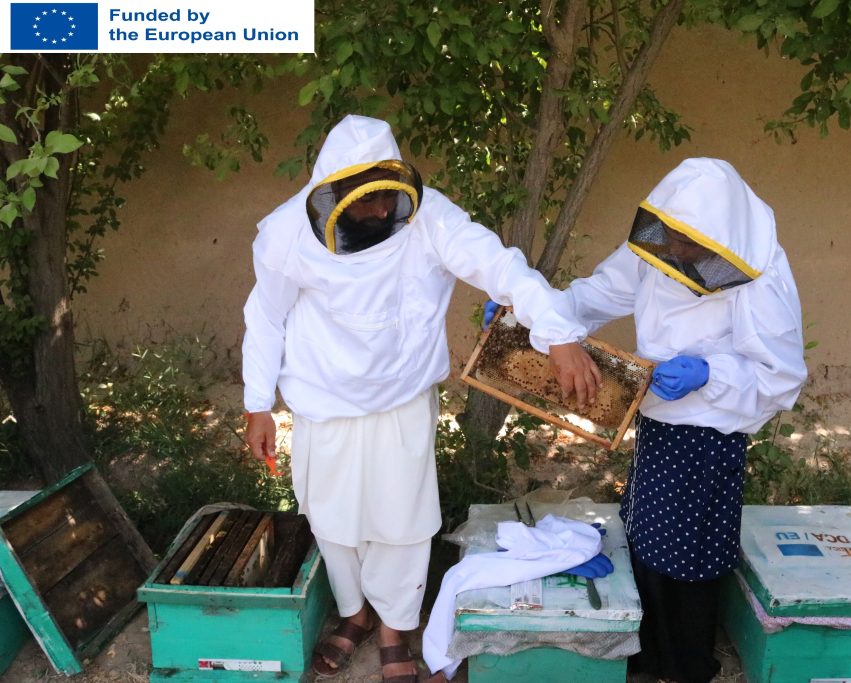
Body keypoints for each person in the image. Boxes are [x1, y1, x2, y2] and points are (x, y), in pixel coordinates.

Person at [241, 114, 601, 682]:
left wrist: (557, 333)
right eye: (369, 201)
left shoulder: (431, 218)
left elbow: (500, 264)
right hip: (322, 399)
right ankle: (355, 614)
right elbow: (265, 316)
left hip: (402, 396)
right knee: (331, 519)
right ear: (335, 194)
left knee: (402, 521)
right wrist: (257, 403)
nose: (384, 209)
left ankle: (395, 629)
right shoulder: (287, 233)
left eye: (390, 195)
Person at [562, 157, 807, 682]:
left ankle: (689, 664)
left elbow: (782, 376)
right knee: (648, 534)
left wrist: (710, 374)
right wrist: (538, 318)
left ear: (720, 241)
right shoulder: (658, 248)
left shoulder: (759, 276)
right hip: (656, 418)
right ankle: (649, 655)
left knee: (691, 550)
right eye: (671, 237)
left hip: (712, 434)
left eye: (689, 244)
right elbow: (595, 294)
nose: (676, 251)